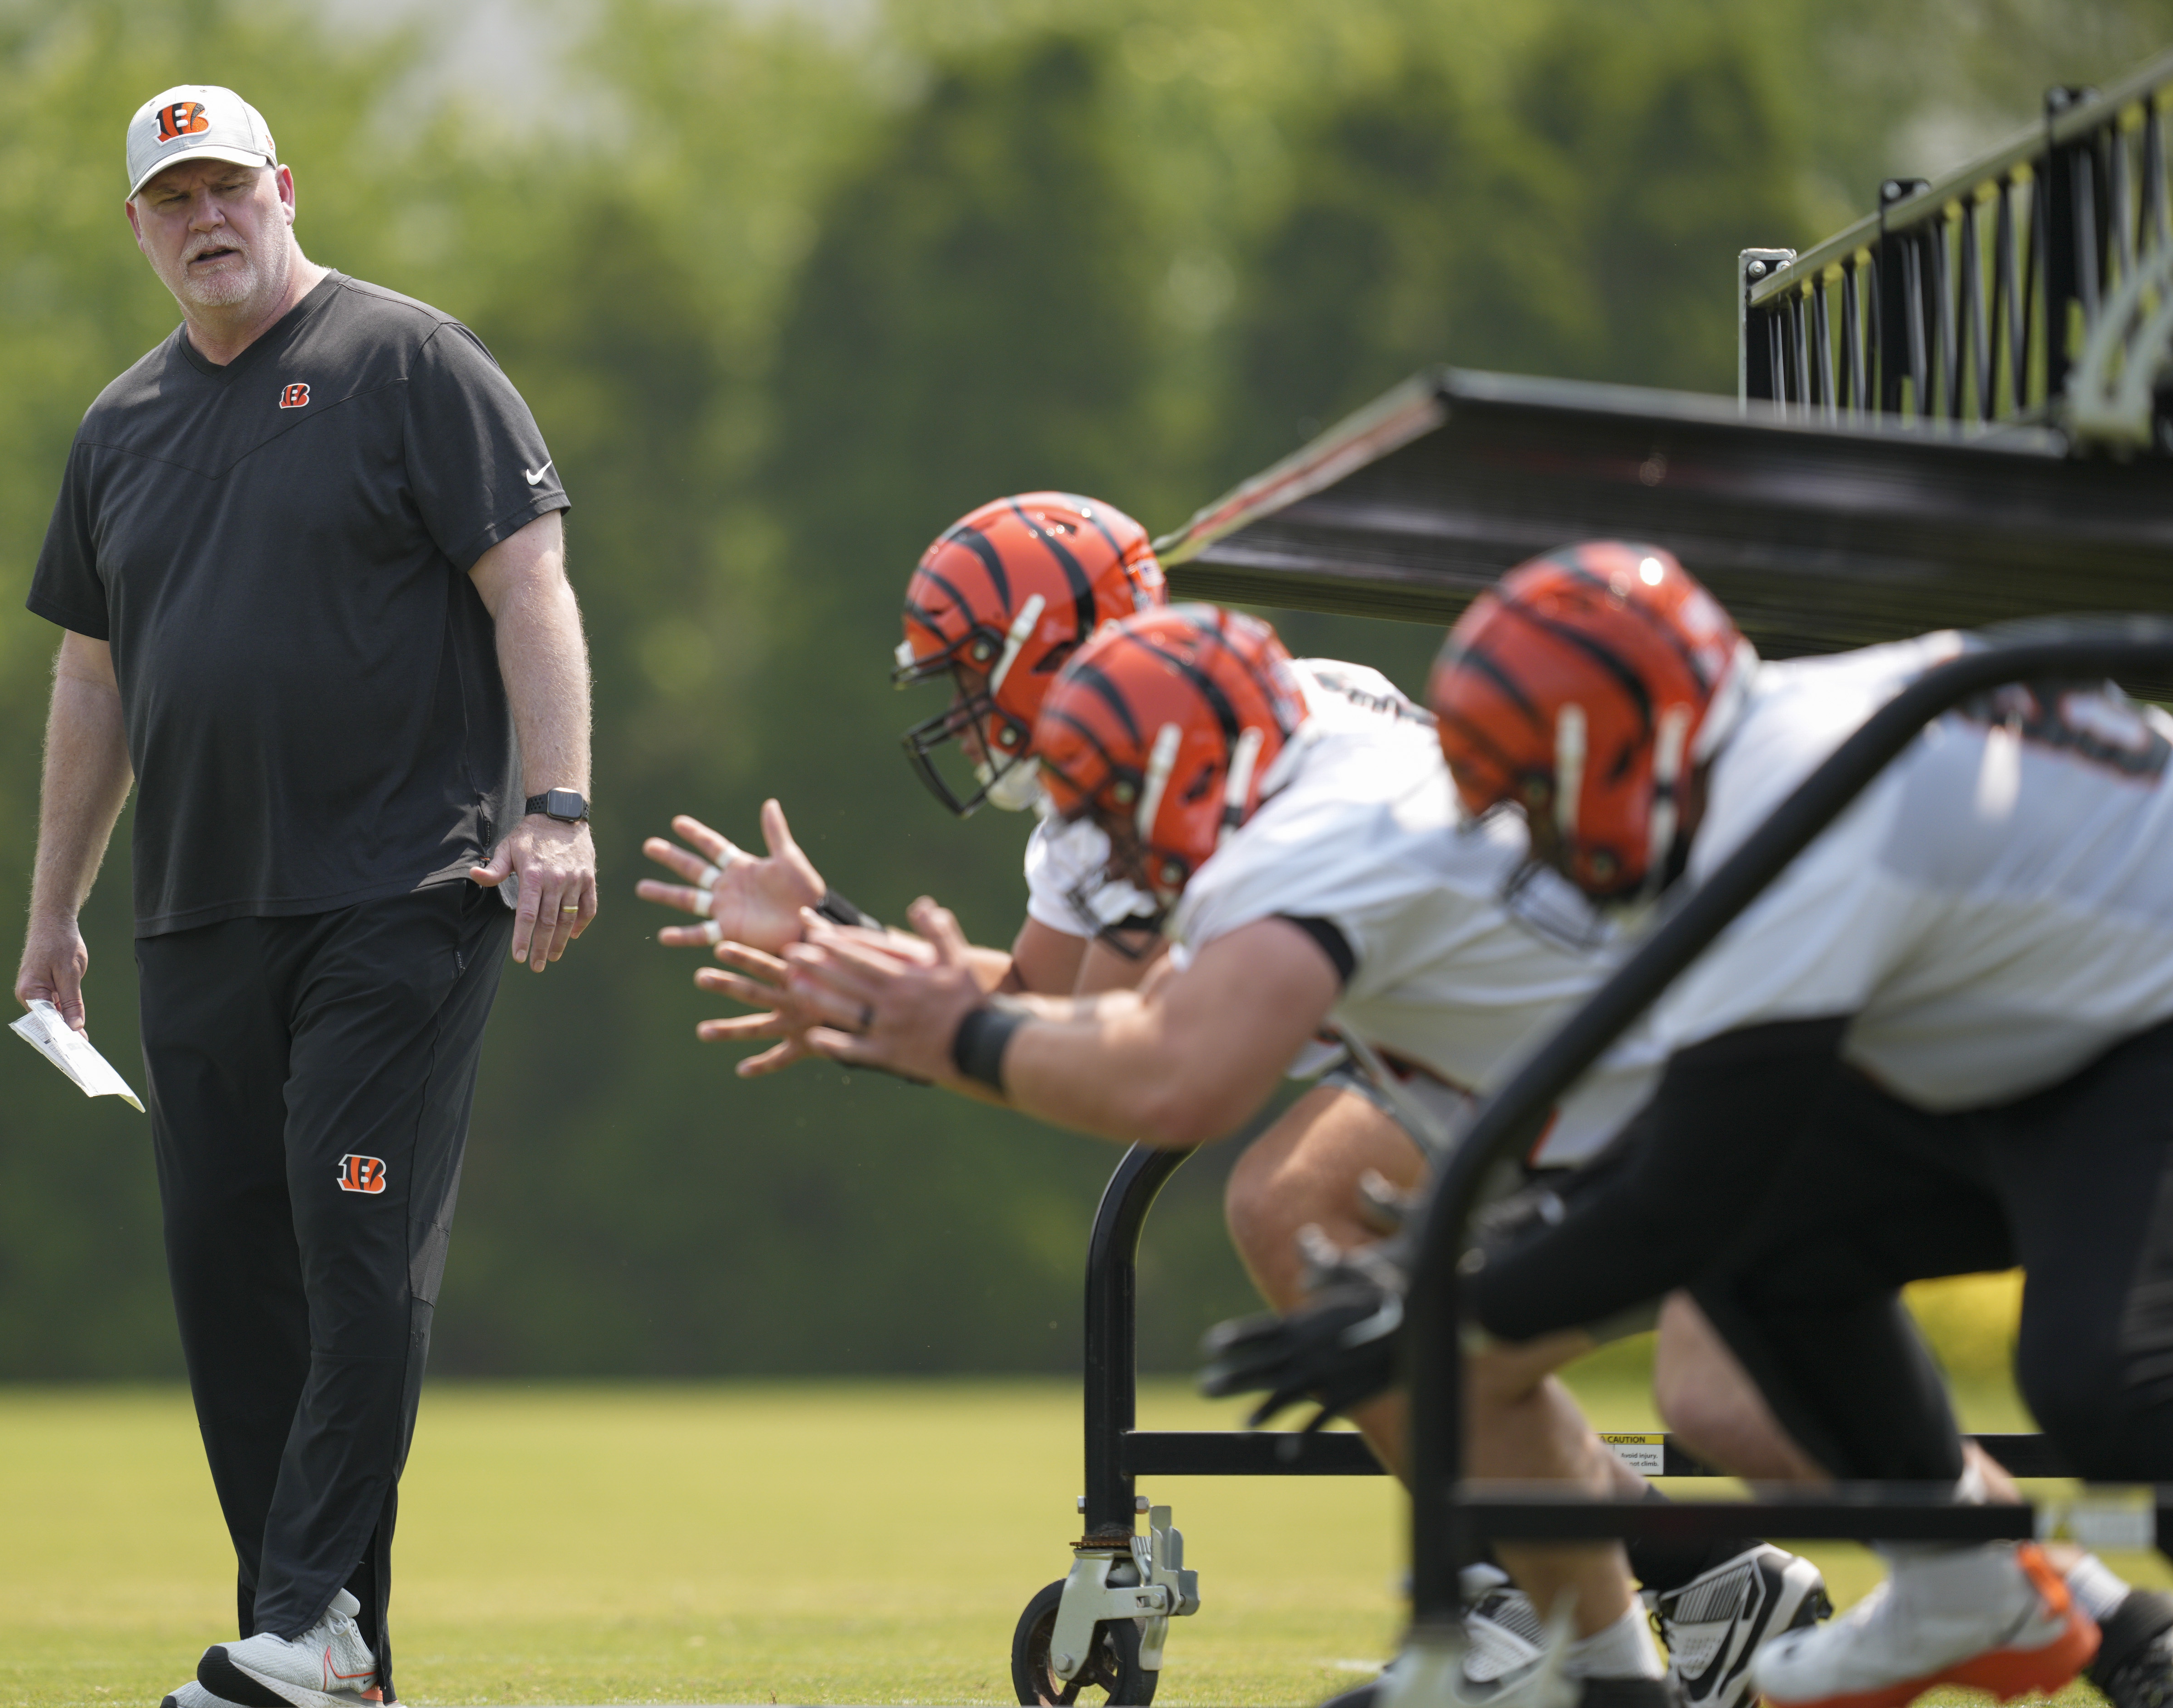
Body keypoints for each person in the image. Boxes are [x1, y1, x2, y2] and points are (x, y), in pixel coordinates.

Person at [778, 603, 1829, 1708]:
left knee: (1387, 1286)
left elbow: (1158, 1075)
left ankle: (1944, 1583)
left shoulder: (1307, 836)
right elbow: (1085, 1027)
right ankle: (1619, 1654)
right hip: (1590, 1067)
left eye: (971, 679)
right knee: (1411, 1325)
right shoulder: (1261, 753)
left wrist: (919, 1016)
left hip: (1695, 1083)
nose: (1104, 865)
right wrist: (863, 972)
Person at [1216, 542, 2173, 1708]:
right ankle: (1965, 1585)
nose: (1539, 845)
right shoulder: (1765, 756)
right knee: (1773, 1238)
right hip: (2069, 1030)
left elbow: (1679, 1200)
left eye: (1537, 797)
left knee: (2109, 1381)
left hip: (2132, 1016)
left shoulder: (1783, 813)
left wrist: (1429, 1319)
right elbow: (1714, 1187)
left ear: (1620, 744)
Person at [13, 84, 596, 1708]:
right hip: (194, 917)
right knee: (231, 1285)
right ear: (137, 227)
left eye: (226, 187)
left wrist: (557, 807)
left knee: (354, 1251)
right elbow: (92, 674)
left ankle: (307, 1616)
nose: (204, 218)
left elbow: (527, 586)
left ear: (281, 189)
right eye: (170, 198)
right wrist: (54, 908)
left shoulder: (407, 362)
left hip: (400, 893)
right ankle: (328, 1654)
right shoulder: (119, 425)